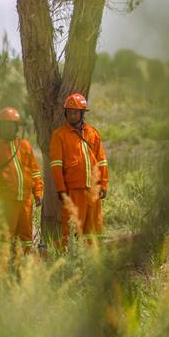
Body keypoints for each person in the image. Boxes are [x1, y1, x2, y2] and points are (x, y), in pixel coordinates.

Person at [49, 92, 108, 244]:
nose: (72, 115)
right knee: (71, 228)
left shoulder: (93, 134)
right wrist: (61, 190)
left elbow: (101, 161)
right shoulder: (59, 135)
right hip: (73, 191)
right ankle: (68, 262)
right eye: (69, 112)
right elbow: (56, 166)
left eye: (75, 112)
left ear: (82, 113)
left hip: (94, 190)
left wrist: (104, 184)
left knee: (94, 229)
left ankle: (92, 262)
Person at [0, 107, 43, 243]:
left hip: (25, 201)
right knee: (4, 238)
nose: (8, 129)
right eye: (5, 126)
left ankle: (24, 263)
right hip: (6, 201)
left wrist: (38, 192)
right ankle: (4, 264)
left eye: (11, 126)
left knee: (26, 238)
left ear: (16, 127)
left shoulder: (25, 145)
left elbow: (35, 171)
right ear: (0, 127)